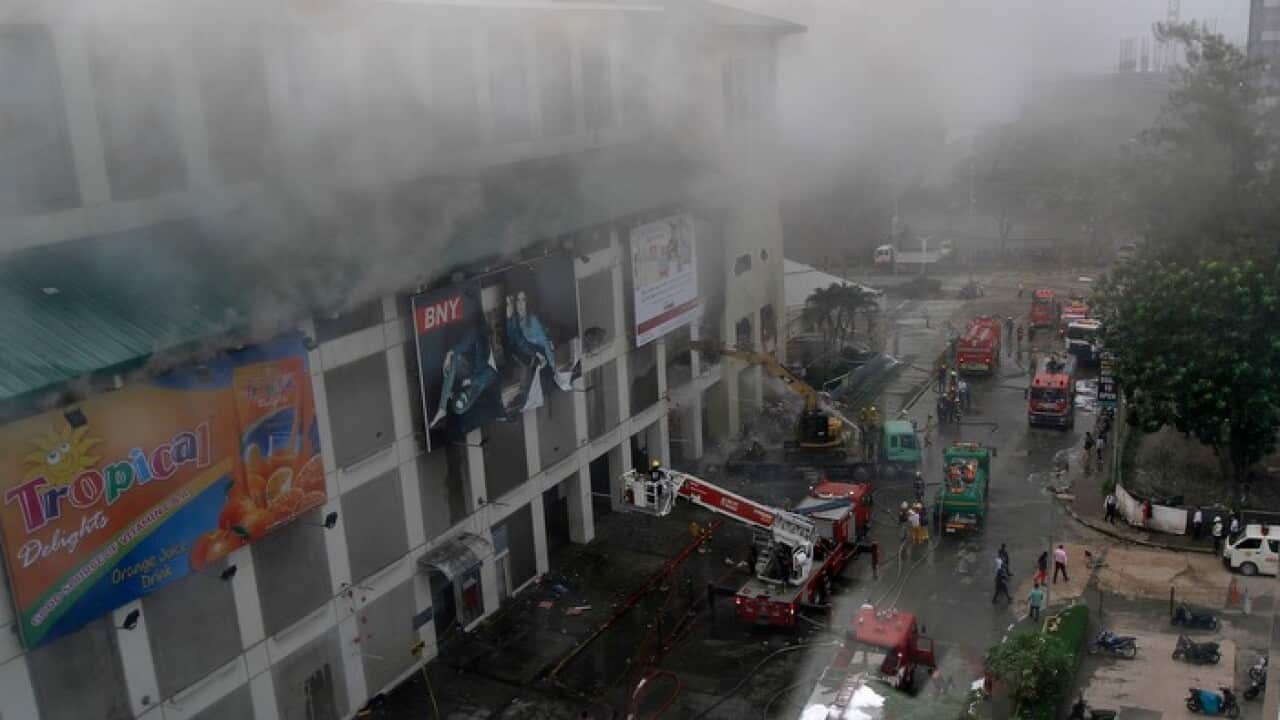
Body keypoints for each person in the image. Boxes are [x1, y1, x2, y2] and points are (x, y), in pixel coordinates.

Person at [431, 327, 500, 429]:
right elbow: (492, 373)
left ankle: (443, 407)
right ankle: (443, 408)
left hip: (476, 368)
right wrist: (472, 381)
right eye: (465, 398)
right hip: (481, 369)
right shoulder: (481, 383)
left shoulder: (475, 367)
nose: (465, 394)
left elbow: (474, 333)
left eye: (462, 395)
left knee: (454, 360)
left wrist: (450, 353)